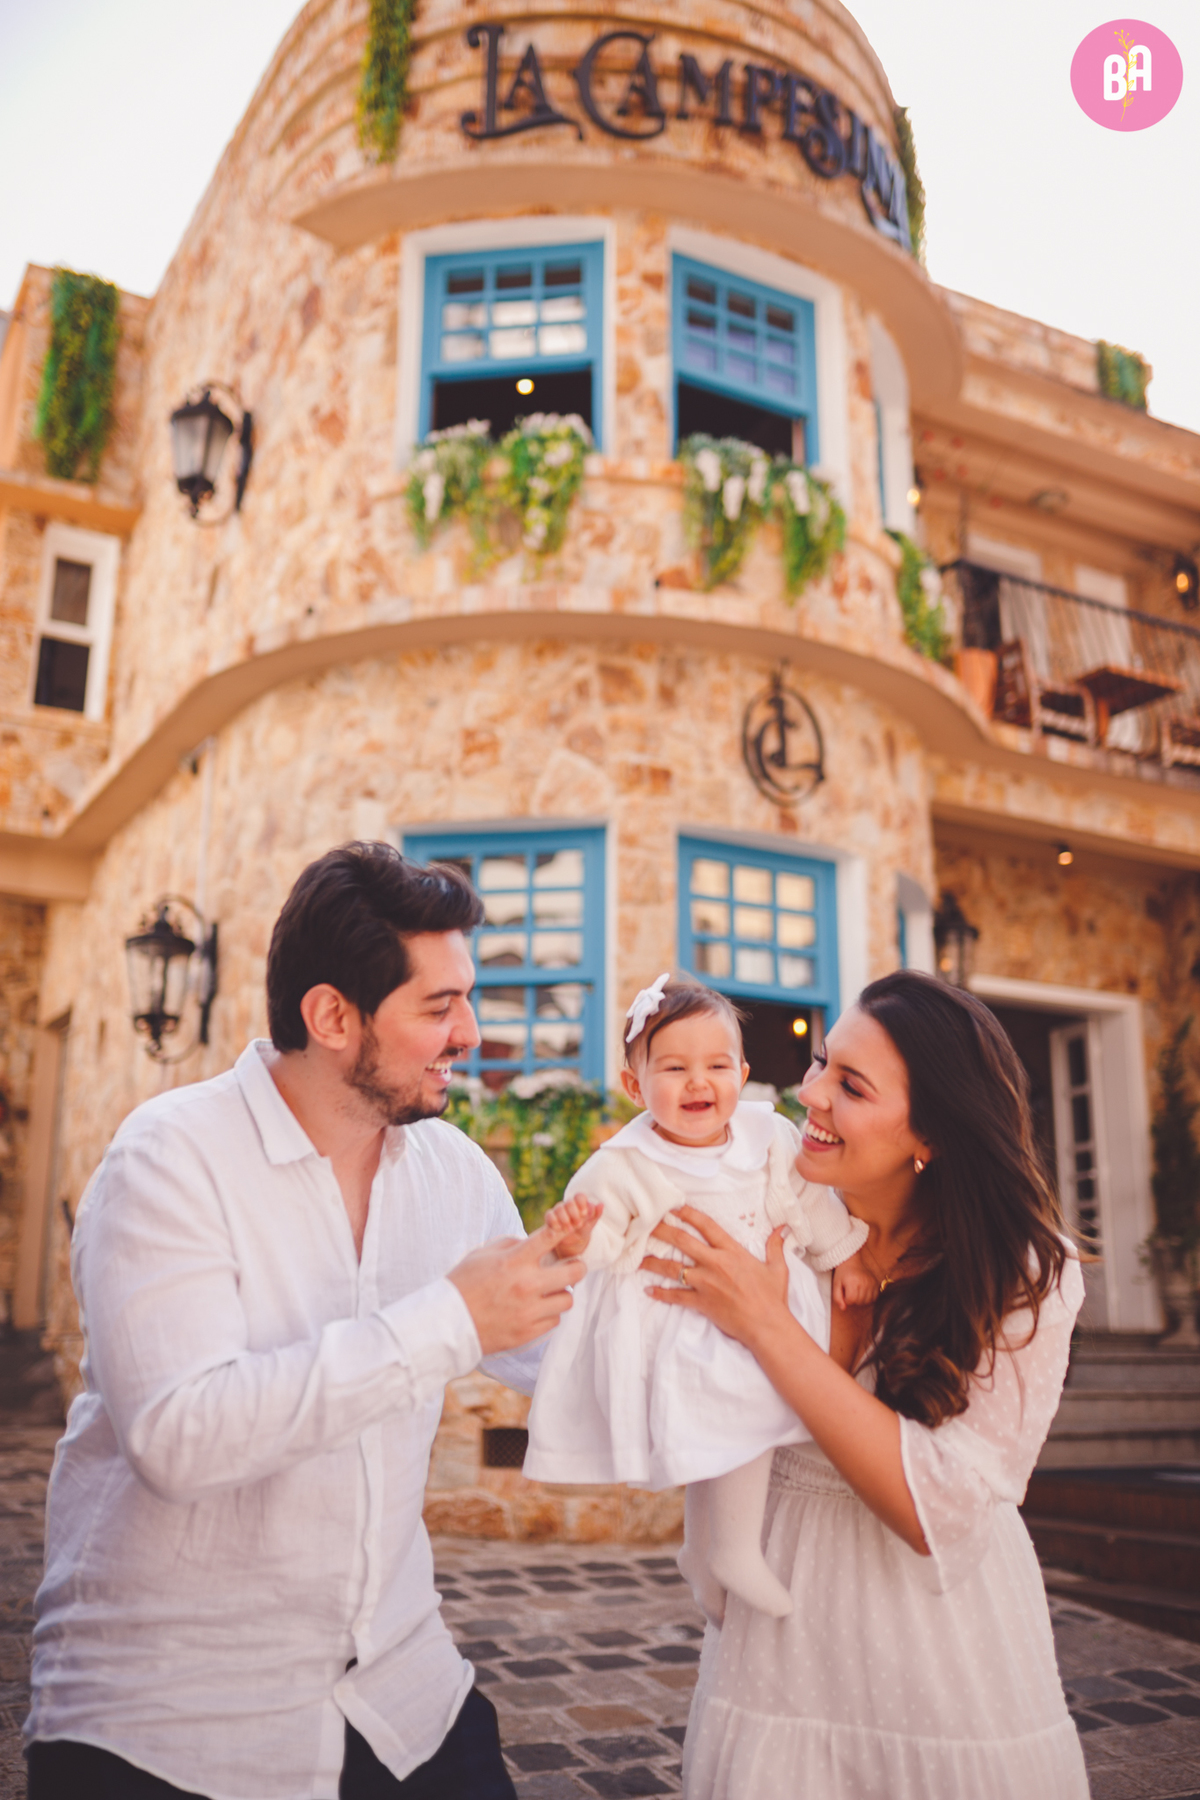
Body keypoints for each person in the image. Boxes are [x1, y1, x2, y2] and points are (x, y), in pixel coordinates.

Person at [24, 842, 585, 1800]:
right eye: (439, 1007)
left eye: (468, 1000)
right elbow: (179, 1436)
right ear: (331, 1017)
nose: (470, 1032)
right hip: (171, 1719)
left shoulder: (453, 1172)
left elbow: (570, 1354)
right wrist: (450, 1318)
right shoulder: (168, 1158)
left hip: (404, 1691)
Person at [641, 970, 1090, 1800]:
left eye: (851, 1086)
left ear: (934, 1133)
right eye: (821, 1062)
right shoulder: (773, 1218)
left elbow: (939, 1509)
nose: (809, 1093)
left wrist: (767, 1326)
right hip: (778, 1633)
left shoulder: (1025, 1274)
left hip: (942, 1648)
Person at [525, 973, 871, 1624]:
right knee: (733, 1411)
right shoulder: (624, 1163)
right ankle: (732, 1550)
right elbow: (601, 1237)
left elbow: (812, 1203)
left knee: (728, 1425)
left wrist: (843, 1256)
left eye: (716, 1065)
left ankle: (703, 1549)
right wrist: (575, 1240)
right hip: (680, 1316)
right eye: (674, 1068)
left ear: (742, 1074)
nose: (697, 1082)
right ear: (635, 1087)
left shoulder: (769, 1138)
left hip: (757, 1305)